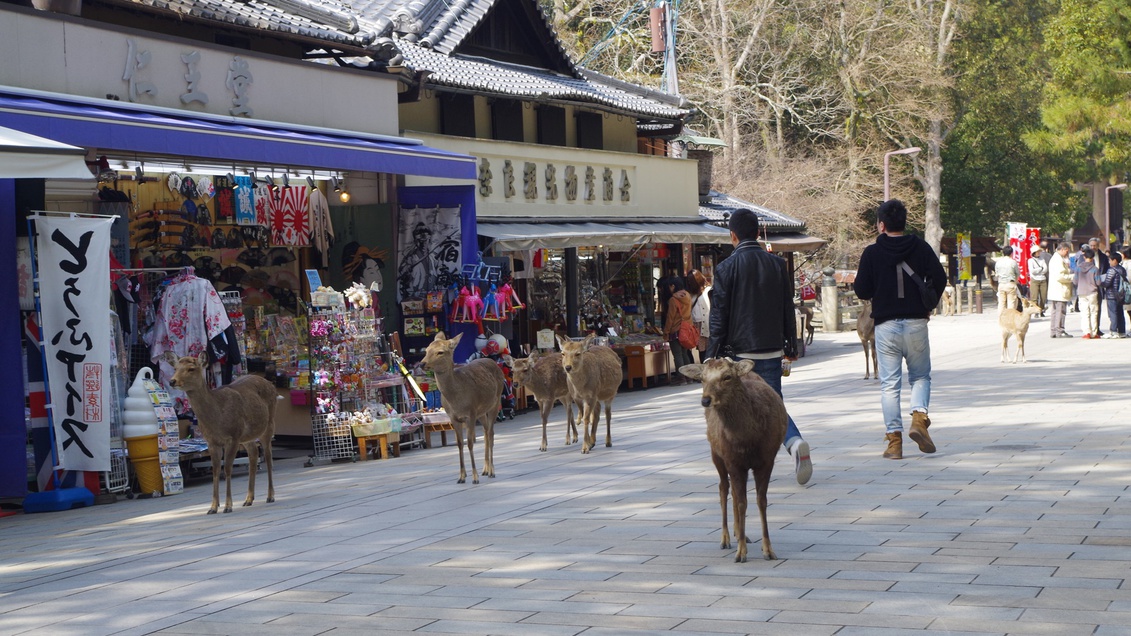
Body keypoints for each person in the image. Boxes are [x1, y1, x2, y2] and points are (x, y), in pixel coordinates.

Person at [705, 208, 812, 485]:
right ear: (758, 233)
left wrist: (712, 354)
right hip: (772, 348)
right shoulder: (776, 265)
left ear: (733, 236)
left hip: (741, 354)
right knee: (774, 402)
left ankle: (759, 454)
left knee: (745, 408)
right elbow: (787, 307)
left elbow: (719, 314)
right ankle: (793, 442)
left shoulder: (726, 267)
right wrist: (792, 343)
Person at [852, 199, 947, 460]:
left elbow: (861, 289)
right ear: (904, 222)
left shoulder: (872, 253)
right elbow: (940, 277)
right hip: (916, 322)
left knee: (889, 385)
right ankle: (918, 418)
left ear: (881, 225)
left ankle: (894, 442)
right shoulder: (920, 247)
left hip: (886, 326)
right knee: (920, 376)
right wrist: (929, 302)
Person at [663, 277, 694, 384]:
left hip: (676, 330)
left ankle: (681, 378)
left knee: (677, 354)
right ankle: (689, 376)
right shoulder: (688, 296)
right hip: (686, 330)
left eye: (671, 286)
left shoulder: (673, 300)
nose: (670, 288)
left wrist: (666, 331)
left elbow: (670, 317)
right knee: (684, 353)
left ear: (673, 286)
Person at [1048, 242, 1074, 338]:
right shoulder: (1057, 260)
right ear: (1062, 249)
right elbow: (1060, 276)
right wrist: (1072, 277)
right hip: (1060, 289)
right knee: (1060, 311)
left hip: (1056, 289)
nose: (1067, 253)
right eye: (1067, 251)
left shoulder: (1056, 258)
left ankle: (1054, 330)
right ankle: (1059, 330)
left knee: (1055, 310)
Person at [1074, 247, 1101, 339]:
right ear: (1093, 258)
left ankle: (1087, 332)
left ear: (1084, 257)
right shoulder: (1095, 269)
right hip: (1092, 292)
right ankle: (1094, 332)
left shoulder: (1078, 268)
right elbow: (1098, 282)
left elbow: (1075, 281)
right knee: (1094, 312)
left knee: (1084, 313)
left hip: (1081, 292)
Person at [685, 269, 712, 359]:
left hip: (706, 324)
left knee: (706, 351)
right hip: (696, 324)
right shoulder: (691, 293)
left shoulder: (708, 290)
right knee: (701, 350)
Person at [1100, 251, 1127, 338]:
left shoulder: (1111, 270)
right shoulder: (1122, 269)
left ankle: (1113, 331)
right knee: (1120, 313)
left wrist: (1100, 283)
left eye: (1110, 260)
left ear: (1115, 260)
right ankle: (1122, 331)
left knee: (1113, 313)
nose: (1109, 262)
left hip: (1112, 295)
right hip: (1120, 294)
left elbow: (1107, 283)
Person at [994, 246, 1020, 315]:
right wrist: (1016, 281)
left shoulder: (998, 262)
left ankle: (1001, 317)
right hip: (1010, 283)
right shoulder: (1013, 262)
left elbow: (996, 273)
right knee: (1011, 302)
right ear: (1011, 253)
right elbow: (1017, 273)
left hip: (1001, 284)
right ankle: (1010, 317)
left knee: (1001, 302)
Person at [1027, 244, 1048, 316]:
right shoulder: (1030, 260)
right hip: (1034, 280)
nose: (1039, 253)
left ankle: (1041, 310)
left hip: (1043, 279)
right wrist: (1040, 269)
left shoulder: (1042, 259)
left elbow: (1045, 269)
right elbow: (1032, 271)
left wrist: (1039, 270)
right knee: (1034, 297)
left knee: (1043, 297)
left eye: (1039, 251)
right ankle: (1035, 311)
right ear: (1034, 252)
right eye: (1037, 251)